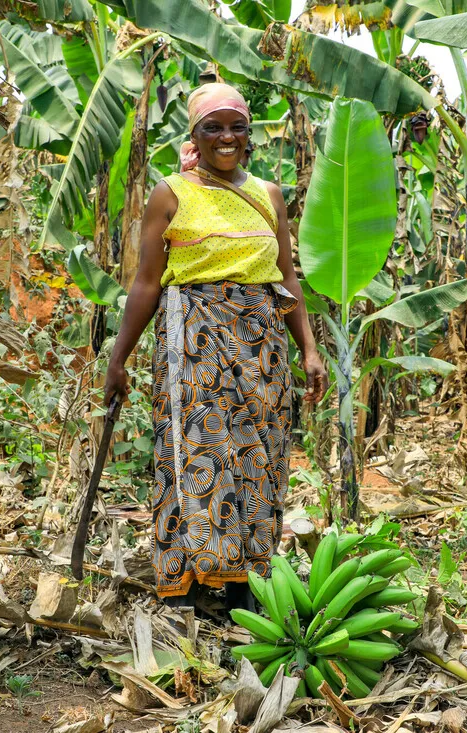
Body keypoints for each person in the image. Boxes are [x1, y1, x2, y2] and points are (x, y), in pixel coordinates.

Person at [105, 83, 328, 611]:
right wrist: (118, 359)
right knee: (198, 454)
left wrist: (309, 350)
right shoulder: (171, 194)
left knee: (260, 458)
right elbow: (145, 283)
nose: (226, 137)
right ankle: (194, 583)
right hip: (195, 344)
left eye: (236, 127)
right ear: (195, 135)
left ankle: (246, 583)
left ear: (249, 134)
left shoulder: (269, 194)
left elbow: (287, 277)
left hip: (263, 347)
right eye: (213, 127)